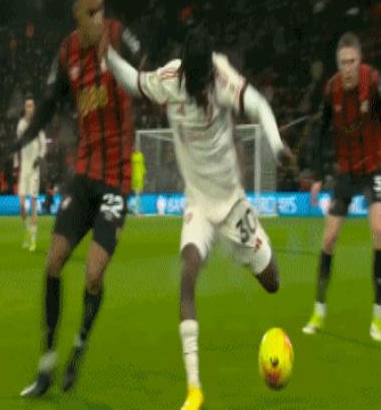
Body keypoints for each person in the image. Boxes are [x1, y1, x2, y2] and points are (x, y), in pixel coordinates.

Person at [105, 23, 290, 410]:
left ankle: (242, 252)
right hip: (199, 203)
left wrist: (276, 146)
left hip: (232, 203)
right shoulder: (171, 78)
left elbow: (258, 104)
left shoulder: (221, 78)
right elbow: (134, 81)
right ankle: (194, 389)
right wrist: (105, 52)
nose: (197, 89)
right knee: (187, 274)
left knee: (272, 282)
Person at [16, 0, 140, 398]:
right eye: (90, 12)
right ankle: (46, 366)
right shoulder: (67, 51)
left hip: (117, 179)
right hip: (85, 174)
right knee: (53, 263)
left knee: (93, 273)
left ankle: (80, 344)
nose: (98, 18)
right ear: (75, 13)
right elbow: (50, 102)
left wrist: (124, 62)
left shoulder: (120, 37)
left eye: (101, 8)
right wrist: (23, 140)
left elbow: (149, 67)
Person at [302, 32, 381, 340]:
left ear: (360, 61)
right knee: (329, 238)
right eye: (343, 63)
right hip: (345, 172)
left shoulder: (372, 84)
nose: (348, 68)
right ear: (338, 64)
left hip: (373, 167)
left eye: (352, 62)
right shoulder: (332, 89)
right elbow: (321, 132)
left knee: (379, 231)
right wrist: (318, 176)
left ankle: (378, 317)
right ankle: (318, 312)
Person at [14, 93, 47, 252]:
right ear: (24, 108)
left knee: (33, 203)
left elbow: (44, 145)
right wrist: (16, 163)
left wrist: (39, 158)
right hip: (24, 168)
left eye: (32, 106)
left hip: (34, 169)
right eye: (27, 106)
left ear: (34, 108)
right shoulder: (21, 124)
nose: (30, 108)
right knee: (21, 205)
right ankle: (27, 230)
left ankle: (33, 238)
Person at [131, 144, 146, 215]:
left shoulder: (141, 155)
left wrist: (143, 174)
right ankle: (137, 210)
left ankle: (139, 209)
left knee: (139, 193)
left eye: (137, 148)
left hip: (140, 177)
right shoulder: (132, 156)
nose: (136, 149)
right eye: (135, 148)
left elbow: (143, 165)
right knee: (136, 193)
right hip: (134, 177)